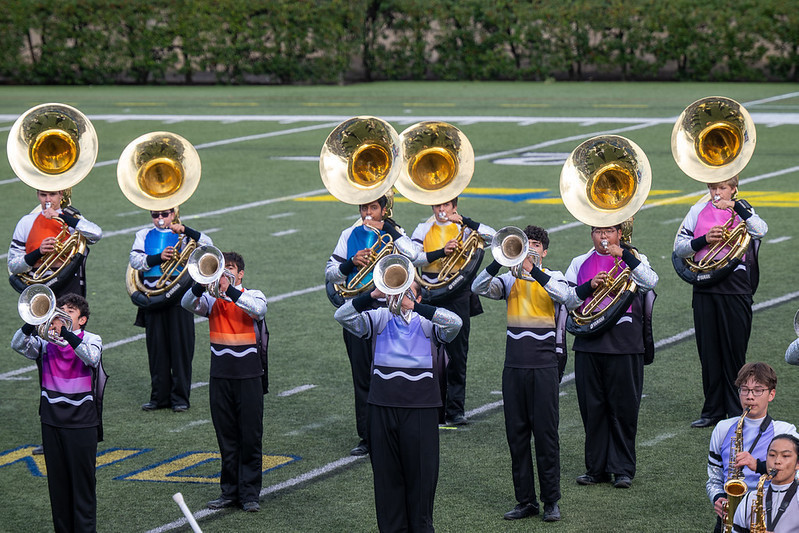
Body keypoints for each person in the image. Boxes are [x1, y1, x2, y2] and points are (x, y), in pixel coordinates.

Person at [334, 278, 462, 532]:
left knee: (422, 480)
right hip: (382, 407)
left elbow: (455, 323)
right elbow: (342, 315)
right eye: (397, 291)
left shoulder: (427, 322)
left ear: (419, 298)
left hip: (421, 409)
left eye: (408, 292)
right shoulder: (380, 317)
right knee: (386, 480)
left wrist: (415, 307)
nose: (400, 296)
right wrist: (373, 294)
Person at [471, 225, 568, 522]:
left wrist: (532, 269)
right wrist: (501, 259)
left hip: (543, 368)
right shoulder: (509, 280)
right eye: (527, 244)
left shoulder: (554, 277)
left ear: (545, 250)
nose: (531, 249)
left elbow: (565, 295)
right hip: (513, 368)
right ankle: (525, 500)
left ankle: (550, 500)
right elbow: (477, 288)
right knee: (517, 436)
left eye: (536, 245)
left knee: (546, 436)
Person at [565, 224, 658, 490]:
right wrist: (588, 287)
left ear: (620, 234)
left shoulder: (635, 258)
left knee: (623, 409)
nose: (603, 237)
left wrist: (624, 255)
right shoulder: (579, 262)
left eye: (609, 231)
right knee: (592, 409)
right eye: (597, 231)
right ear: (590, 234)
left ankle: (623, 469)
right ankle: (596, 469)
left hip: (624, 344)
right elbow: (567, 299)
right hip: (588, 345)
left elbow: (650, 282)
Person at [673, 176, 768, 428]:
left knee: (734, 353)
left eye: (722, 188)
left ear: (733, 188)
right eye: (713, 187)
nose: (717, 192)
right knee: (709, 353)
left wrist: (736, 208)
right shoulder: (697, 210)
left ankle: (737, 411)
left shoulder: (743, 209)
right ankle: (712, 410)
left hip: (736, 291)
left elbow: (760, 230)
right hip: (704, 289)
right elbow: (679, 247)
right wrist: (704, 240)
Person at [325, 195, 415, 456]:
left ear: (383, 210)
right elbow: (330, 273)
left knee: (392, 372)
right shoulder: (348, 234)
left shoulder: (396, 233)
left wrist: (388, 230)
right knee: (362, 375)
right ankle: (367, 436)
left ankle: (395, 433)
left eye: (373, 207)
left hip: (389, 311)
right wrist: (351, 262)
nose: (367, 212)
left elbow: (413, 257)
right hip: (358, 309)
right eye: (364, 207)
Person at [11, 293, 107, 533]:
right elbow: (17, 344)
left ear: (82, 319)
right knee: (58, 487)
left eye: (70, 310)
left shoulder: (92, 339)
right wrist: (31, 323)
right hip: (52, 421)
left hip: (82, 424)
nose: (62, 313)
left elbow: (91, 358)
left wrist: (65, 333)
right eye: (60, 308)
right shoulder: (45, 342)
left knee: (83, 488)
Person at [181, 251, 268, 512]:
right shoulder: (211, 300)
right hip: (220, 376)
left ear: (240, 273)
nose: (224, 271)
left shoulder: (253, 295)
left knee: (250, 436)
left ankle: (250, 493)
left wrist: (230, 290)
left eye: (229, 268)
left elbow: (258, 310)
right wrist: (199, 283)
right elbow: (186, 303)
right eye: (221, 268)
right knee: (226, 437)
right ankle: (229, 492)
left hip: (249, 376)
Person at [410, 197, 494, 426]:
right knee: (430, 353)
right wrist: (441, 252)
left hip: (458, 295)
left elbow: (494, 238)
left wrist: (466, 221)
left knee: (457, 353)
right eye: (437, 205)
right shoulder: (422, 228)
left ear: (454, 206)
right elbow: (412, 257)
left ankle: (455, 410)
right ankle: (432, 407)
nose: (441, 209)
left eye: (446, 205)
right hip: (430, 293)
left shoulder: (465, 229)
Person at [130, 207, 212, 412]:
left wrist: (185, 230)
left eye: (164, 214)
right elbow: (135, 261)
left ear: (173, 213)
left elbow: (208, 245)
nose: (159, 219)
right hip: (153, 296)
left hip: (179, 298)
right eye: (155, 215)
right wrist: (158, 258)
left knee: (181, 349)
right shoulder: (143, 234)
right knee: (156, 350)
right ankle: (159, 397)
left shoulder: (185, 237)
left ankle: (180, 398)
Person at [706, 362, 798, 533]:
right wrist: (717, 497)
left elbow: (795, 475)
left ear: (771, 394)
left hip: (767, 516)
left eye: (757, 390)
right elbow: (714, 475)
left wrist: (758, 465)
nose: (750, 396)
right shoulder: (723, 428)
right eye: (744, 389)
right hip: (729, 515)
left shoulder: (784, 431)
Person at [8, 189, 102, 297]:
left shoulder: (72, 219)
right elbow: (13, 266)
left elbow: (96, 234)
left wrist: (60, 216)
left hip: (69, 283)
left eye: (52, 194)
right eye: (43, 195)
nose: (48, 200)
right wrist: (39, 252)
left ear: (61, 194)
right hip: (38, 286)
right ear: (38, 195)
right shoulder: (26, 222)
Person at [732, 434, 799, 532]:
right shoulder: (750, 498)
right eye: (772, 455)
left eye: (785, 456)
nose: (777, 461)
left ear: (797, 464)